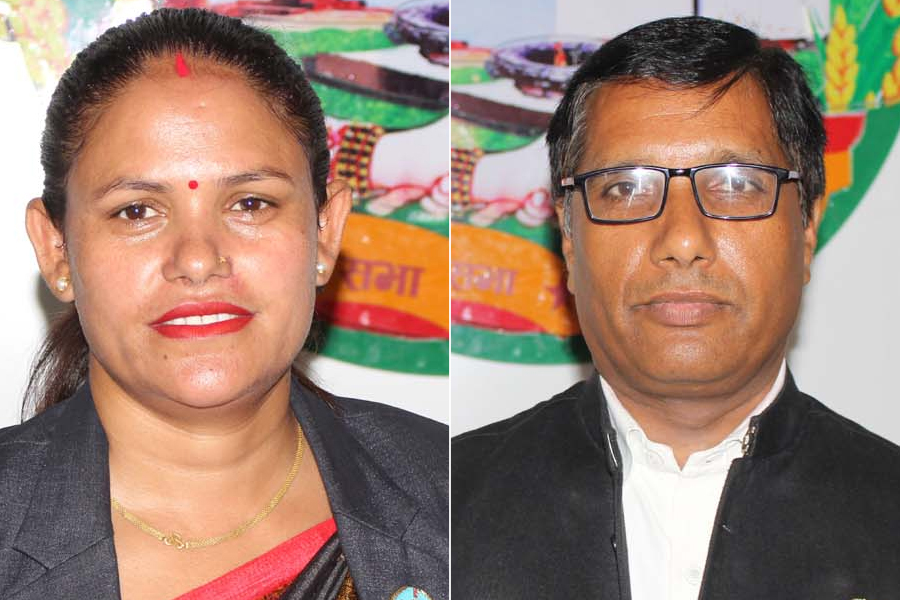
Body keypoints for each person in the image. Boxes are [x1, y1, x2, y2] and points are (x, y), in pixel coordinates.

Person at [0, 9, 446, 600]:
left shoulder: (454, 492)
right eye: (137, 211)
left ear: (326, 233)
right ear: (56, 249)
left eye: (250, 204)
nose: (197, 259)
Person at [452, 16, 900, 600]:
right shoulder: (440, 510)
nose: (683, 239)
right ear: (568, 239)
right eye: (626, 187)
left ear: (807, 228)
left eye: (736, 184)